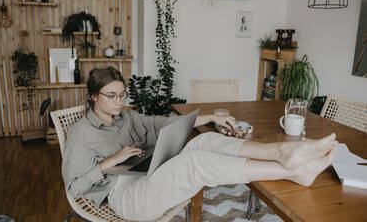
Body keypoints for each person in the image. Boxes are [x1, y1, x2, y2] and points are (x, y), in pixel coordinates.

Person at [62, 67, 337, 221]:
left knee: (204, 140)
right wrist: (110, 163)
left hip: (144, 174)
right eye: (111, 96)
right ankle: (290, 171)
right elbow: (74, 188)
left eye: (122, 94)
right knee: (194, 163)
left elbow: (160, 123)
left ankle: (283, 152)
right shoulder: (81, 134)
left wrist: (209, 118)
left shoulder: (126, 118)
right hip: (123, 195)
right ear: (94, 97)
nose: (119, 101)